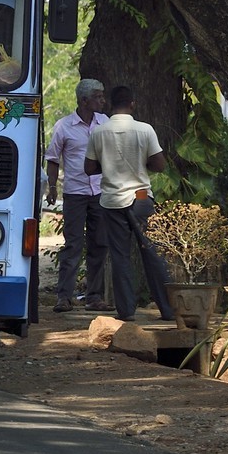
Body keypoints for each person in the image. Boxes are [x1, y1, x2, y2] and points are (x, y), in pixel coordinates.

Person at [84, 84, 174, 322]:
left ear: (111, 105)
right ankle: (168, 309)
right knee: (152, 253)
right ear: (132, 104)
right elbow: (160, 165)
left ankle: (126, 311)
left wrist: (108, 165)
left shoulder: (99, 132)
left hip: (112, 199)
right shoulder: (145, 130)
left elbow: (88, 168)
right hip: (141, 197)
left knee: (120, 256)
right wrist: (140, 163)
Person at [44, 79, 110, 313]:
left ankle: (94, 297)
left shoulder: (105, 123)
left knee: (99, 244)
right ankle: (64, 297)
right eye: (98, 97)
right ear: (84, 101)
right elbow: (52, 159)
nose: (102, 101)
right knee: (72, 246)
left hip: (101, 193)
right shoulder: (64, 126)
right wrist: (52, 187)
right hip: (75, 193)